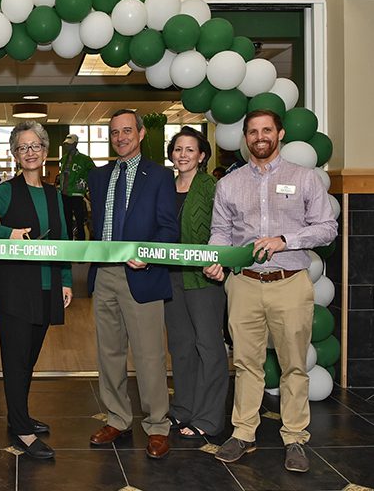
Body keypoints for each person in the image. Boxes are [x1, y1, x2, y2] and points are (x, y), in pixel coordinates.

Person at [204, 110, 337, 473]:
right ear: (245, 138)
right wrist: (217, 258)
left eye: (266, 130)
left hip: (290, 282)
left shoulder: (305, 178)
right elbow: (221, 231)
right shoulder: (229, 184)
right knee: (246, 363)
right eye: (252, 131)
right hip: (244, 283)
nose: (259, 136)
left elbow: (327, 228)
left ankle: (294, 436)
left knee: (294, 364)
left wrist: (285, 240)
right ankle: (243, 432)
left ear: (279, 134)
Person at [0, 120, 73, 459]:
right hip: (15, 287)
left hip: (47, 286)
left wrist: (67, 281)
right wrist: (6, 233)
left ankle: (19, 416)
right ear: (14, 154)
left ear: (45, 152)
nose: (30, 152)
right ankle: (22, 431)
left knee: (28, 359)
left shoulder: (55, 194)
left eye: (36, 146)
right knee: (14, 359)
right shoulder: (7, 190)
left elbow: (64, 241)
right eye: (23, 147)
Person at [87, 109, 178, 459]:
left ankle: (157, 425)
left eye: (127, 131)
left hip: (142, 274)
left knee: (149, 354)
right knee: (109, 352)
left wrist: (149, 254)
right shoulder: (99, 177)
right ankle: (117, 418)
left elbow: (169, 228)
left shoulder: (158, 176)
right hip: (105, 274)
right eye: (114, 132)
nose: (120, 137)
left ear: (140, 134)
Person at [164, 127, 227, 439]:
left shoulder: (212, 187)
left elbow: (227, 227)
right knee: (181, 346)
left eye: (190, 149)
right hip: (171, 276)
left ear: (202, 155)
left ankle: (210, 416)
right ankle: (183, 409)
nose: (183, 155)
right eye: (178, 149)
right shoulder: (165, 186)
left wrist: (220, 260)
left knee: (209, 346)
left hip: (204, 277)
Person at [58, 134, 95, 240]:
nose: (67, 147)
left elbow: (94, 172)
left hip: (77, 194)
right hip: (64, 193)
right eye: (66, 144)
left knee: (80, 220)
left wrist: (84, 182)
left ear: (75, 144)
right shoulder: (64, 159)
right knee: (66, 220)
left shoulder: (84, 159)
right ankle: (68, 240)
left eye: (69, 144)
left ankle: (81, 241)